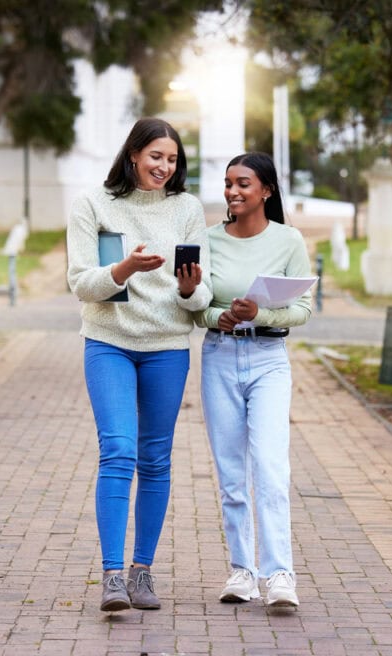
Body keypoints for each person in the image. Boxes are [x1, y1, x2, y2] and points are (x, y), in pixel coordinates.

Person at [66, 117, 211, 612]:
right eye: (155, 157)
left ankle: (142, 572)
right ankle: (111, 575)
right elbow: (82, 283)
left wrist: (191, 289)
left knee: (155, 458)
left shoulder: (187, 208)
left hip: (168, 346)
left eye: (171, 159)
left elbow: (200, 293)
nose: (164, 167)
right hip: (109, 342)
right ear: (133, 155)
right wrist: (125, 267)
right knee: (119, 450)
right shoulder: (93, 204)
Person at [196, 152, 313, 608]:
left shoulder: (288, 240)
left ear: (266, 190)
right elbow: (194, 306)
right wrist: (218, 316)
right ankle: (242, 571)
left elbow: (301, 310)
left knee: (269, 467)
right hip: (220, 356)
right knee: (230, 474)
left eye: (243, 183)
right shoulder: (208, 240)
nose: (233, 191)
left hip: (268, 359)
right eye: (228, 183)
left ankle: (280, 574)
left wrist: (259, 313)